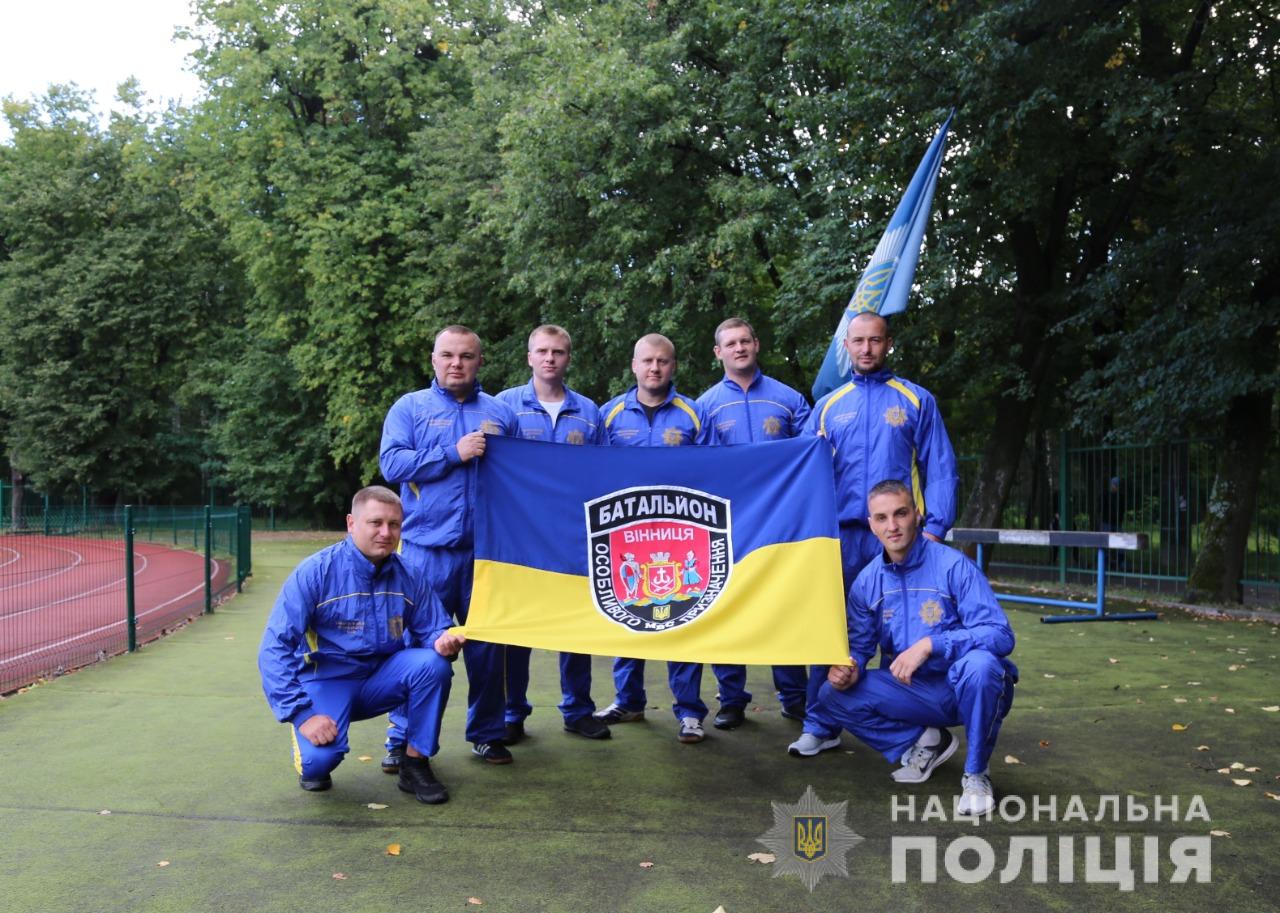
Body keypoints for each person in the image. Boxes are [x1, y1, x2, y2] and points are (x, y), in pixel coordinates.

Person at [790, 311, 959, 757]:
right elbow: (803, 473)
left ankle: (905, 724)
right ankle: (820, 723)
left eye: (875, 341)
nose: (867, 349)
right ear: (846, 346)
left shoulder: (916, 399)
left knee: (900, 631)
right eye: (858, 341)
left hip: (898, 536)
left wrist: (936, 526)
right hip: (841, 536)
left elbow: (939, 467)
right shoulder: (828, 406)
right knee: (829, 629)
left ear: (888, 344)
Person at [802, 480, 1017, 816]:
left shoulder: (953, 565)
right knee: (830, 695)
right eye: (882, 517)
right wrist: (850, 667)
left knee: (982, 666)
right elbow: (859, 646)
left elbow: (1000, 634)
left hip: (963, 686)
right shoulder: (867, 581)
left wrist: (932, 644)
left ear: (917, 515)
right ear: (871, 524)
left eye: (901, 513)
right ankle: (924, 740)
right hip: (912, 692)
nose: (893, 525)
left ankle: (976, 775)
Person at [257, 486, 463, 804]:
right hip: (328, 679)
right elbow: (274, 646)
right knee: (318, 764)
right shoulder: (315, 572)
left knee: (433, 665)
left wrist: (443, 641)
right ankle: (313, 750)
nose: (386, 532)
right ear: (352, 523)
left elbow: (434, 628)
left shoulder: (409, 574)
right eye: (376, 523)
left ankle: (415, 762)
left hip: (382, 678)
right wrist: (301, 714)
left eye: (394, 524)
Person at [379, 325, 519, 768]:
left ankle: (487, 733)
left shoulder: (500, 413)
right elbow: (392, 463)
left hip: (485, 555)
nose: (456, 363)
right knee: (418, 651)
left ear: (480, 361)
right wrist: (452, 452)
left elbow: (520, 478)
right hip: (424, 552)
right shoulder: (410, 408)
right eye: (448, 355)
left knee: (487, 648)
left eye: (466, 356)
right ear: (433, 360)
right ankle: (402, 738)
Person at [592, 333, 712, 744]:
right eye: (647, 361)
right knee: (628, 613)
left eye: (662, 361)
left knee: (685, 616)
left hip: (682, 534)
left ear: (673, 366)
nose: (654, 368)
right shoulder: (607, 416)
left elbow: (716, 471)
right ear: (634, 365)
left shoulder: (694, 415)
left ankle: (690, 711)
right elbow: (591, 475)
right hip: (625, 534)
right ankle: (629, 700)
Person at [494, 324, 611, 743]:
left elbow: (604, 473)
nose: (549, 358)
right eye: (542, 351)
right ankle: (511, 713)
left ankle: (577, 709)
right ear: (529, 357)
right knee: (517, 630)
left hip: (574, 537)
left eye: (558, 352)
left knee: (575, 626)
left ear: (568, 358)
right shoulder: (504, 406)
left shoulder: (590, 412)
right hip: (520, 537)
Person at [696, 317, 812, 730]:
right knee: (725, 609)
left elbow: (811, 458)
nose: (739, 348)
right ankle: (731, 700)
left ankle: (794, 696)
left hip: (782, 527)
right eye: (731, 343)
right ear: (718, 353)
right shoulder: (705, 406)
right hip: (730, 528)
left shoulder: (789, 399)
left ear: (757, 344)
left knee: (784, 608)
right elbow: (702, 471)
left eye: (745, 340)